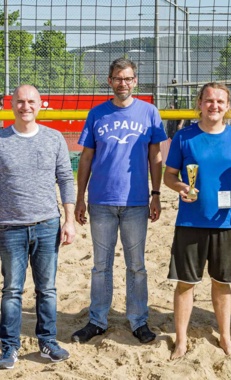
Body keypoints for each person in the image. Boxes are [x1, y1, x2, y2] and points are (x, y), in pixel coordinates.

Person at [72, 58, 167, 344]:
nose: (122, 83)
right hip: (101, 201)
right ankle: (97, 320)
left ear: (135, 81)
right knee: (101, 265)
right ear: (110, 81)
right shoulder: (97, 114)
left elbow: (156, 157)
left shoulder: (149, 112)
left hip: (137, 201)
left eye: (127, 78)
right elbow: (86, 158)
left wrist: (156, 194)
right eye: (117, 78)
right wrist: (80, 198)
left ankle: (138, 320)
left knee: (136, 265)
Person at [164, 82, 231, 358]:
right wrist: (181, 188)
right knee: (186, 283)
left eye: (220, 101)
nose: (214, 106)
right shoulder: (184, 137)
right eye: (209, 101)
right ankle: (181, 340)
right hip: (190, 221)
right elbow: (169, 176)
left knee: (222, 282)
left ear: (228, 106)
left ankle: (225, 336)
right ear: (199, 104)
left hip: (226, 221)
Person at [0, 85, 75, 369]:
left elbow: (66, 179)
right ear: (12, 104)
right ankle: (9, 347)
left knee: (47, 289)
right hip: (9, 227)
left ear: (41, 104)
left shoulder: (54, 138)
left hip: (47, 224)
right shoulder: (2, 139)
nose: (25, 106)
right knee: (12, 290)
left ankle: (47, 341)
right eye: (20, 101)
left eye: (31, 101)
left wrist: (69, 220)